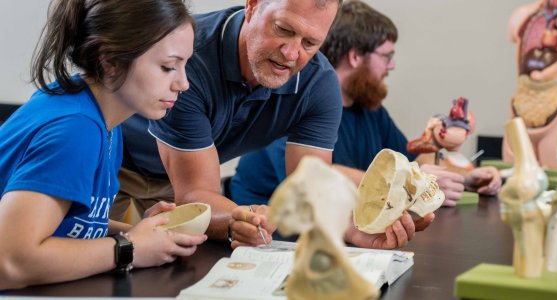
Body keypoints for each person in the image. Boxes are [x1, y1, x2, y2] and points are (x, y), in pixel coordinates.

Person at [111, 0, 429, 249]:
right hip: (112, 161)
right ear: (252, 5)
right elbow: (196, 190)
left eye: (310, 42)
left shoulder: (318, 83)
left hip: (176, 179)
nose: (292, 54)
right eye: (283, 29)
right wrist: (241, 217)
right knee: (87, 268)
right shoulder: (192, 57)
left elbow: (311, 185)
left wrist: (351, 228)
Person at [0, 0, 206, 289]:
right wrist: (129, 247)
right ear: (109, 60)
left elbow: (66, 221)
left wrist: (143, 233)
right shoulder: (75, 128)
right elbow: (10, 261)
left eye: (185, 65)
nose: (183, 83)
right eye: (168, 67)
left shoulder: (103, 118)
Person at [230, 1, 501, 215]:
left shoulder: (370, 110)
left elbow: (413, 163)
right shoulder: (293, 101)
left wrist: (462, 178)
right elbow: (314, 176)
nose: (392, 66)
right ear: (355, 56)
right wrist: (409, 182)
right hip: (270, 242)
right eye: (387, 56)